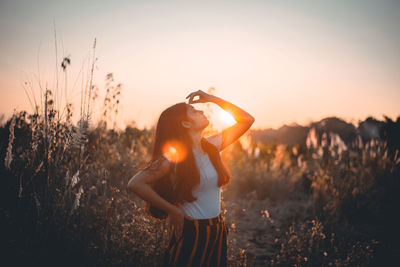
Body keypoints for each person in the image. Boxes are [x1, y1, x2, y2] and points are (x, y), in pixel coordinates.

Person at [126, 90, 255, 267]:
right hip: (191, 232)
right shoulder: (174, 158)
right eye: (194, 111)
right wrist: (173, 210)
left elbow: (247, 120)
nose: (201, 111)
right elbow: (135, 183)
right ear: (186, 123)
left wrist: (213, 99)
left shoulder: (212, 146)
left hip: (216, 230)